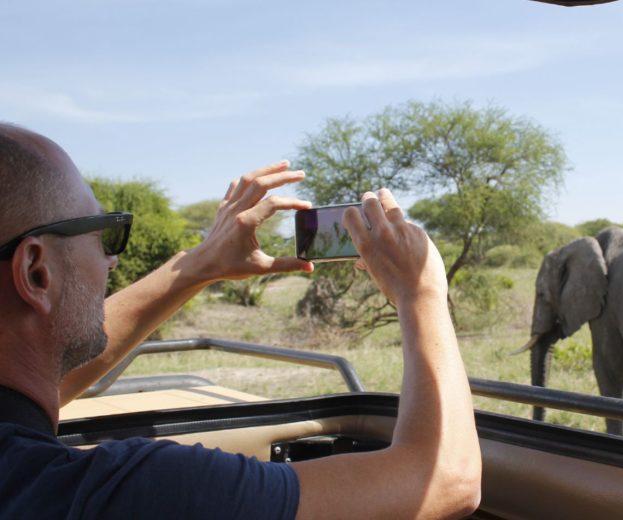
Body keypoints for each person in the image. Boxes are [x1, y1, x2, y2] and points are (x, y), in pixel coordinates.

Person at [0, 123, 482, 518]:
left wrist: (201, 264)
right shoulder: (125, 493)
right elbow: (445, 479)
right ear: (37, 271)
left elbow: (31, 375)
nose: (111, 262)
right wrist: (421, 291)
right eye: (104, 234)